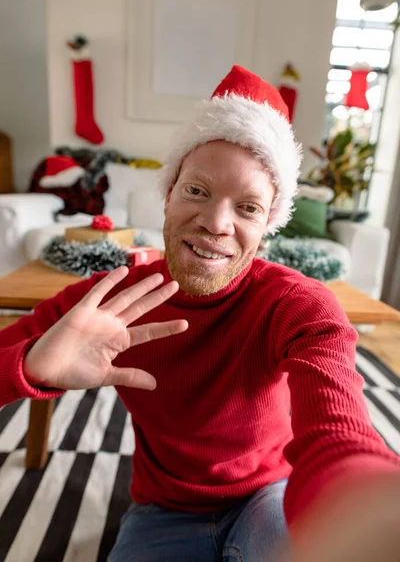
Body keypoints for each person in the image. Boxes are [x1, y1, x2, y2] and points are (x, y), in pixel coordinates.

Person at [0, 65, 399, 562]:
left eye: (248, 207)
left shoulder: (296, 303)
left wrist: (362, 500)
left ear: (269, 223)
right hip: (160, 510)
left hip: (267, 496)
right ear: (167, 198)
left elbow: (337, 427)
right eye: (197, 191)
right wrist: (31, 365)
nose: (215, 223)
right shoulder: (103, 303)